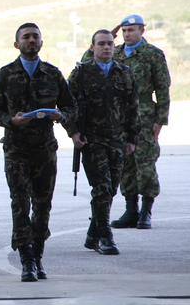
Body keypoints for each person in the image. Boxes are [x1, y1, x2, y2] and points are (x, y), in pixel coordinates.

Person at [0, 22, 75, 282]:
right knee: (20, 204)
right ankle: (27, 260)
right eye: (26, 37)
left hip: (45, 149)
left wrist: (62, 115)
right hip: (16, 149)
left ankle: (38, 255)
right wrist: (11, 120)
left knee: (43, 205)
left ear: (42, 43)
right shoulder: (5, 74)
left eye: (35, 37)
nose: (31, 40)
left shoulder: (53, 74)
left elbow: (72, 107)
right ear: (17, 44)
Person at [66, 29, 140, 255]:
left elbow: (132, 108)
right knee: (102, 188)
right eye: (101, 44)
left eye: (109, 44)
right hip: (92, 140)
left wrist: (131, 138)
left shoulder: (124, 73)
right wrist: (73, 132)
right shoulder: (80, 74)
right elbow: (69, 105)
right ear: (92, 47)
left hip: (117, 140)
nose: (106, 47)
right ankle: (105, 236)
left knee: (111, 189)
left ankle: (92, 233)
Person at [110, 15, 170, 230]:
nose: (127, 34)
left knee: (145, 163)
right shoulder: (114, 52)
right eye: (124, 31)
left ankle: (146, 211)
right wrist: (110, 35)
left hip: (144, 114)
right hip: (120, 116)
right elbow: (89, 61)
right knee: (125, 164)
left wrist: (160, 121)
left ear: (142, 31)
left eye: (132, 30)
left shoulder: (152, 54)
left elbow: (163, 89)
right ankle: (131, 210)